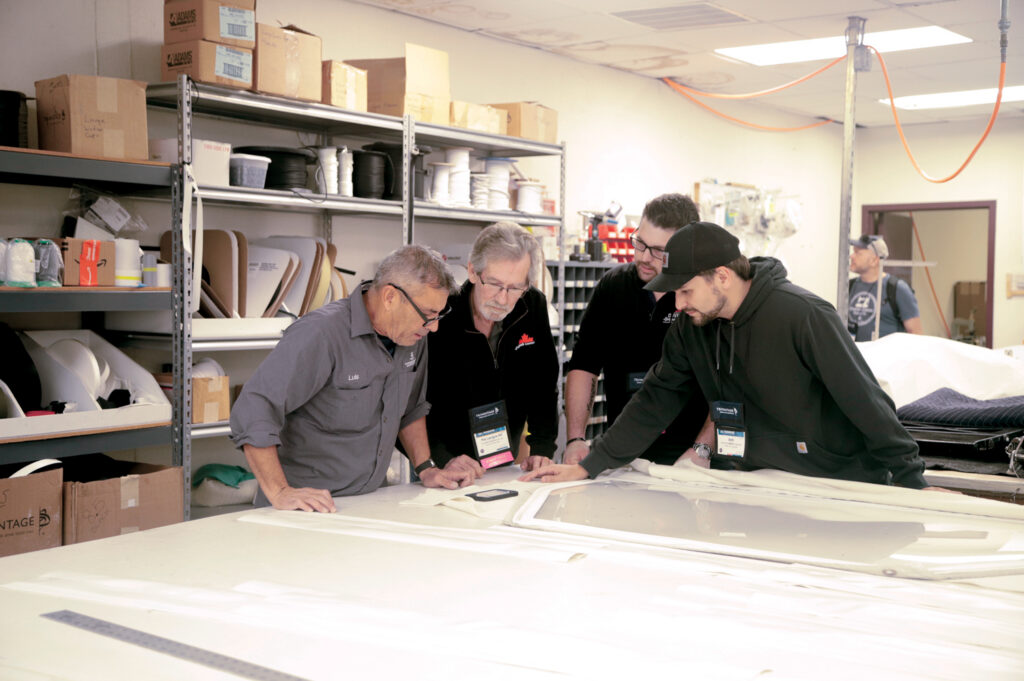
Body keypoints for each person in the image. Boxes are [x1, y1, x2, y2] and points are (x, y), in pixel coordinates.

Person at [524, 221, 950, 492]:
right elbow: (657, 398)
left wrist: (913, 481)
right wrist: (592, 464)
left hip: (832, 483)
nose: (678, 302)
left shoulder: (803, 316)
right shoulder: (694, 326)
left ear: (722, 277)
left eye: (687, 290)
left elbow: (865, 401)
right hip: (754, 482)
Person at [230, 244, 474, 512]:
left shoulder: (411, 335)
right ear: (391, 297)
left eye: (439, 315)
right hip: (305, 509)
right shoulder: (321, 333)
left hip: (369, 501)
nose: (435, 326)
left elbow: (411, 409)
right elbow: (254, 407)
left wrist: (426, 467)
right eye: (428, 314)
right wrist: (280, 492)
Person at [563, 193, 711, 468]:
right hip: (624, 452)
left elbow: (727, 387)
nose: (643, 257)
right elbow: (584, 364)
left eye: (658, 251)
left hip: (688, 457)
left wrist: (702, 450)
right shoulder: (613, 287)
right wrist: (575, 439)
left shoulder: (706, 296)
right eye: (640, 242)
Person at [426, 222, 558, 479]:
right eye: (495, 284)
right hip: (445, 462)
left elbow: (543, 383)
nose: (502, 299)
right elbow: (415, 400)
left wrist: (542, 447)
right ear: (473, 272)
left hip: (504, 459)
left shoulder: (532, 306)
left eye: (515, 288)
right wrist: (441, 458)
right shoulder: (443, 314)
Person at [848, 234, 923, 341]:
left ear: (874, 260)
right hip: (856, 356)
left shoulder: (897, 289)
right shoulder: (850, 286)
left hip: (887, 356)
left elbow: (916, 332)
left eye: (858, 253)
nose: (852, 256)